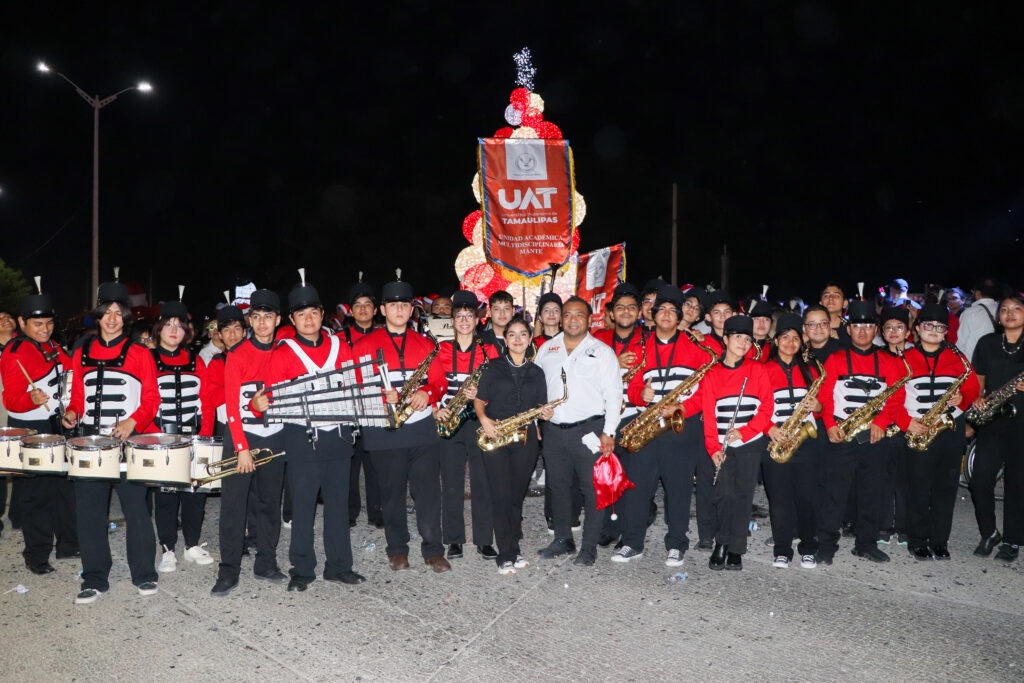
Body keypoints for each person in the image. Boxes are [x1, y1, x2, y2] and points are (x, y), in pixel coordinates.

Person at [253, 275, 366, 590]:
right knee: (302, 509)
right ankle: (302, 570)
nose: (308, 319)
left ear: (322, 313)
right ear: (291, 319)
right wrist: (258, 403)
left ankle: (339, 566)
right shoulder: (283, 352)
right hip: (302, 441)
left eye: (313, 312)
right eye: (301, 314)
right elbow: (268, 399)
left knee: (338, 507)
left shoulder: (340, 346)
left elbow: (356, 386)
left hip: (340, 438)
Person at [63, 280, 160, 604]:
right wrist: (73, 414)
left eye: (119, 313)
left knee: (137, 510)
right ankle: (94, 577)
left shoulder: (139, 353)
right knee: (89, 512)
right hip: (91, 443)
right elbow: (77, 396)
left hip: (128, 443)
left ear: (126, 317)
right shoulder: (82, 351)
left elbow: (151, 398)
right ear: (99, 315)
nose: (113, 318)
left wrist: (134, 421)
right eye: (108, 312)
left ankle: (144, 573)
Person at [353, 272, 450, 573]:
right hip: (384, 430)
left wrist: (427, 392)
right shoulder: (364, 345)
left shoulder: (426, 344)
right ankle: (397, 549)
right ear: (383, 310)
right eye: (392, 305)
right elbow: (355, 387)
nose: (398, 310)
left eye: (404, 306)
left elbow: (441, 383)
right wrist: (382, 396)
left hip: (421, 430)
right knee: (391, 493)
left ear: (412, 310)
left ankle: (433, 550)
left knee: (428, 493)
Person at [616, 285, 711, 566]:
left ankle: (677, 543)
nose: (667, 315)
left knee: (679, 489)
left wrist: (683, 407)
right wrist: (639, 395)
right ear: (653, 316)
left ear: (679, 317)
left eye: (673, 311)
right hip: (648, 427)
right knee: (638, 489)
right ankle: (633, 542)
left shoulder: (696, 347)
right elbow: (631, 385)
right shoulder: (640, 346)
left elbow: (707, 389)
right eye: (662, 310)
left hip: (681, 429)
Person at [814, 300, 910, 565]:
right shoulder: (835, 359)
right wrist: (830, 424)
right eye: (857, 326)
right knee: (835, 493)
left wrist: (880, 422)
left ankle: (865, 543)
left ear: (875, 330)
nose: (862, 331)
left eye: (868, 326)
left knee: (872, 492)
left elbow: (896, 397)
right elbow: (825, 394)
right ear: (849, 329)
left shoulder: (888, 361)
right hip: (842, 434)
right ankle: (826, 544)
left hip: (874, 436)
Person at [534, 297, 621, 566]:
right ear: (560, 319)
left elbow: (615, 394)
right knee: (558, 487)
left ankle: (589, 547)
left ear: (589, 319)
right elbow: (537, 389)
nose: (573, 320)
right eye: (568, 314)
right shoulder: (547, 349)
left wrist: (609, 432)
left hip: (590, 431)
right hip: (553, 431)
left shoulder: (602, 351)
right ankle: (563, 539)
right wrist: (539, 417)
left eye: (579, 315)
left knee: (592, 490)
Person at [211, 294, 287, 595]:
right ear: (250, 321)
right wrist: (241, 448)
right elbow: (231, 406)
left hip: (275, 438)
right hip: (241, 438)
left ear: (278, 320)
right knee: (233, 507)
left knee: (270, 504)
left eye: (268, 317)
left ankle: (266, 562)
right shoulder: (238, 354)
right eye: (256, 317)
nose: (263, 323)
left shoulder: (284, 352)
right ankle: (228, 570)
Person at [0, 284, 77, 574]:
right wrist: (28, 398)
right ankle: (36, 554)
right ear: (22, 323)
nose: (45, 329)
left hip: (55, 423)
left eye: (49, 323)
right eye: (38, 324)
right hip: (29, 428)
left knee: (64, 488)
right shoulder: (15, 351)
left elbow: (70, 379)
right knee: (37, 493)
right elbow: (10, 400)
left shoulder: (54, 347)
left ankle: (69, 544)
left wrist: (71, 410)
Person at [899, 304, 980, 560]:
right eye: (928, 326)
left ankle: (940, 541)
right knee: (919, 487)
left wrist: (962, 398)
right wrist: (906, 422)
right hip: (919, 428)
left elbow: (973, 389)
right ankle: (918, 540)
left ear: (946, 332)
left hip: (950, 429)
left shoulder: (958, 358)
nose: (934, 331)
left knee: (946, 488)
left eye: (939, 328)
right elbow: (892, 397)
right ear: (918, 329)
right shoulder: (905, 358)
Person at [473, 316, 550, 574]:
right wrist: (484, 419)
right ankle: (506, 553)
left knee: (516, 496)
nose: (518, 339)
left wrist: (545, 413)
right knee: (501, 496)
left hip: (525, 440)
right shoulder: (492, 367)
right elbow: (479, 400)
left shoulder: (537, 372)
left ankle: (513, 546)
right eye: (512, 335)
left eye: (523, 335)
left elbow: (540, 408)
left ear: (530, 340)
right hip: (496, 436)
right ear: (505, 340)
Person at [149, 294, 216, 573]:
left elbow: (207, 400)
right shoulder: (148, 359)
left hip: (194, 435)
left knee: (194, 494)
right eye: (168, 325)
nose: (174, 330)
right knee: (166, 497)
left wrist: (205, 439)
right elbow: (144, 400)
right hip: (162, 437)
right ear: (159, 329)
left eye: (180, 325)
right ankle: (167, 549)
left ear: (187, 331)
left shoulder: (195, 360)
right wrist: (154, 439)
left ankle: (191, 545)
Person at [430, 290, 499, 560]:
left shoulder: (490, 350)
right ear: (453, 319)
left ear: (476, 319)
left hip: (478, 420)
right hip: (451, 419)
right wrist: (437, 409)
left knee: (483, 482)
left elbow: (497, 386)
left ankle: (484, 540)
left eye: (469, 316)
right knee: (451, 482)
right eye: (458, 316)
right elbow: (433, 385)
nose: (464, 320)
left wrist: (482, 395)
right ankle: (454, 539)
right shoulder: (441, 349)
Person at [701, 315, 774, 571]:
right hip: (722, 446)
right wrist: (712, 448)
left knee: (743, 496)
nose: (743, 343)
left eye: (747, 338)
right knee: (724, 496)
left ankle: (736, 549)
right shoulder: (712, 375)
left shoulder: (758, 370)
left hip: (750, 443)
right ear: (725, 339)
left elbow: (767, 409)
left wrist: (745, 431)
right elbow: (709, 416)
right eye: (738, 337)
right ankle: (721, 542)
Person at [762, 313, 823, 569]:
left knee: (807, 498)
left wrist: (817, 406)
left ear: (802, 342)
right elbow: (757, 408)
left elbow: (822, 408)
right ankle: (782, 549)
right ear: (776, 341)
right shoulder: (763, 370)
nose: (790, 342)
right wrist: (771, 429)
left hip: (806, 443)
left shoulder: (810, 370)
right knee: (780, 500)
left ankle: (808, 547)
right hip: (778, 440)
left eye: (795, 338)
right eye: (785, 337)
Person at [969, 293, 1024, 563]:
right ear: (998, 315)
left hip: (1022, 424)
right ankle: (989, 532)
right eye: (1004, 309)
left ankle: (1013, 540)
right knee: (980, 480)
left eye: (1016, 309)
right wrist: (977, 398)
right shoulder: (987, 343)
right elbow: (977, 380)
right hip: (992, 421)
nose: (1010, 314)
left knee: (1018, 485)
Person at [593, 283, 644, 547]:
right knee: (604, 475)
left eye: (631, 307)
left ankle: (629, 527)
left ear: (639, 312)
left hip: (635, 416)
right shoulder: (598, 338)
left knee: (631, 477)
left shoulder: (649, 338)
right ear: (611, 313)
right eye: (620, 307)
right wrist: (615, 360)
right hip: (603, 415)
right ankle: (608, 527)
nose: (625, 312)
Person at [343, 277, 383, 529]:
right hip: (348, 407)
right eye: (357, 305)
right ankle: (349, 511)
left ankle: (377, 512)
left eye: (367, 304)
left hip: (376, 407)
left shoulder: (384, 335)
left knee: (376, 463)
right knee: (348, 463)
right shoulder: (339, 338)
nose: (362, 309)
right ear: (350, 309)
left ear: (376, 309)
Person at [957, 279, 1001, 364]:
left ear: (977, 293)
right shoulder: (1002, 310)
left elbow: (961, 344)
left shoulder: (970, 312)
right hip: (996, 363)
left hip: (973, 364)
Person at [479, 290, 515, 355]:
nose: (502, 313)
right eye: (497, 309)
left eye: (506, 308)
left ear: (513, 311)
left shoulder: (521, 340)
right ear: (489, 312)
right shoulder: (480, 342)